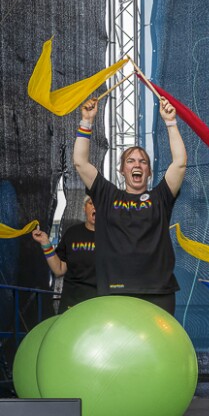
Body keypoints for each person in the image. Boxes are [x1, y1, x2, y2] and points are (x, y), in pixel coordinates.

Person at [73, 96, 186, 316]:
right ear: (122, 170)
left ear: (149, 171)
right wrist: (86, 121)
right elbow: (80, 162)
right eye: (131, 161)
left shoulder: (160, 197)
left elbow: (180, 162)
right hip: (116, 291)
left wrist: (170, 122)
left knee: (158, 349)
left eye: (143, 161)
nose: (137, 164)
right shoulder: (106, 194)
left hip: (158, 292)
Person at [31, 196, 97, 313]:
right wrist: (45, 243)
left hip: (100, 306)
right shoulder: (72, 233)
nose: (96, 206)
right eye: (91, 203)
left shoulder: (113, 236)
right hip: (72, 305)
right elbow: (59, 269)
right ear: (84, 208)